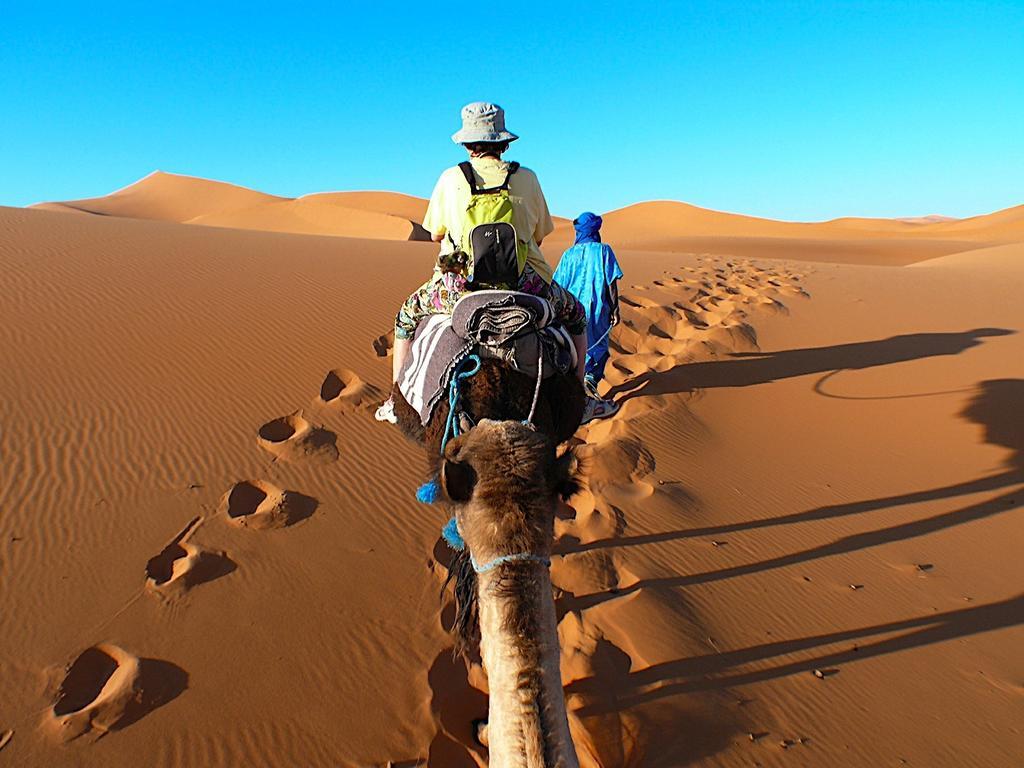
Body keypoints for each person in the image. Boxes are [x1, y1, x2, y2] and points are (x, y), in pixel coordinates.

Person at [376, 102, 587, 423]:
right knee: (577, 316)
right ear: (503, 142)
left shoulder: (450, 178)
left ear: (466, 142)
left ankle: (396, 399)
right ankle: (581, 399)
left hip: (457, 285)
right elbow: (540, 236)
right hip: (524, 283)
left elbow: (435, 234)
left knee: (405, 317)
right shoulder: (528, 178)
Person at [553, 212, 623, 423]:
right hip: (597, 307)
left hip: (571, 310)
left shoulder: (568, 255)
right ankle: (590, 381)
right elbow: (611, 283)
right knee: (598, 347)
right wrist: (615, 309)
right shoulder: (604, 251)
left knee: (573, 348)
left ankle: (578, 389)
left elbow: (557, 284)